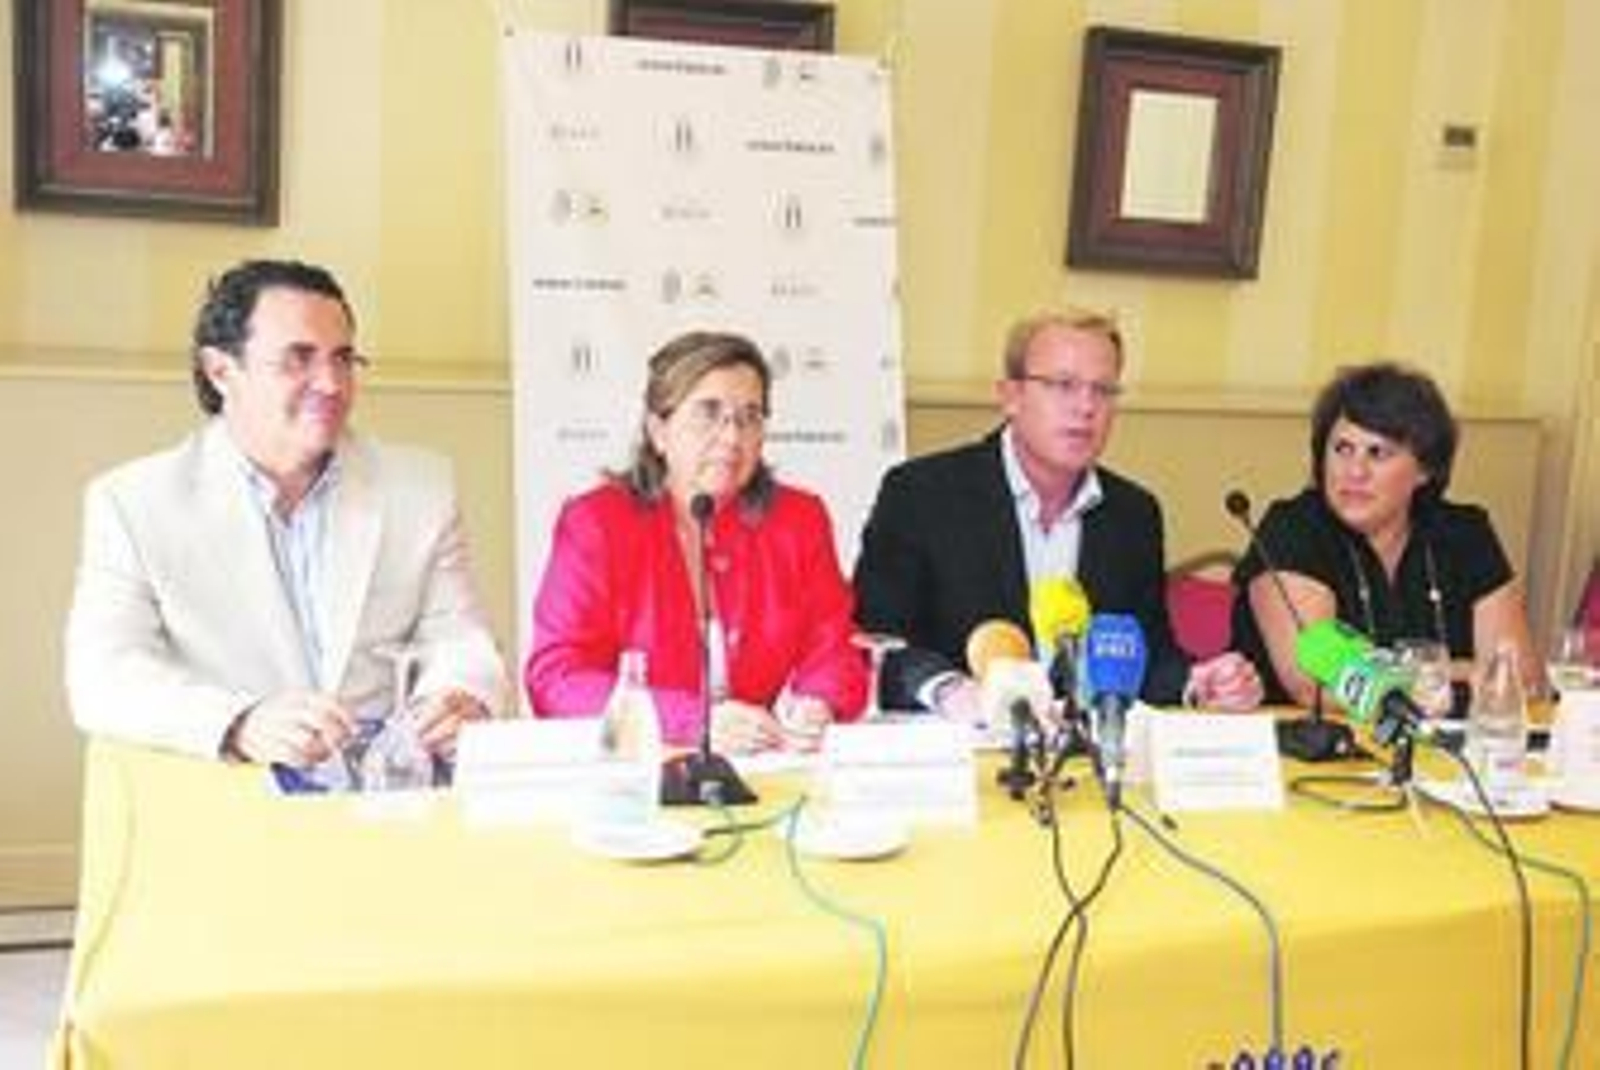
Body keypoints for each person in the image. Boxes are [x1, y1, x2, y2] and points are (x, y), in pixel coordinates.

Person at [65, 259, 507, 771]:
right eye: (299, 359)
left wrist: (459, 695)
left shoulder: (421, 488)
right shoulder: (135, 504)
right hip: (229, 788)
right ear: (220, 371)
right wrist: (240, 723)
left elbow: (457, 635)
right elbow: (103, 676)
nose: (332, 384)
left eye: (343, 359)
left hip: (383, 789)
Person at [854, 308, 1263, 717]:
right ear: (1011, 396)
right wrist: (950, 691)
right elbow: (876, 642)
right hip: (959, 741)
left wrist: (1196, 682)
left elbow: (1146, 656)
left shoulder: (1132, 514)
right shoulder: (922, 495)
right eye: (1064, 385)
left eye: (1103, 390)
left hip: (1086, 747)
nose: (1086, 407)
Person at [524, 331, 867, 754]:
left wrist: (819, 702)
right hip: (639, 764)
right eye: (709, 412)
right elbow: (556, 676)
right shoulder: (596, 523)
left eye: (750, 416)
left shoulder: (798, 520)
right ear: (658, 430)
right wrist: (692, 721)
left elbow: (836, 644)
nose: (732, 436)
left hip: (761, 764)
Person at [1232, 361, 1538, 706]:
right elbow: (1316, 685)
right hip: (1309, 739)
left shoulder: (1465, 534)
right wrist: (1460, 672)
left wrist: (1391, 676)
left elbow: (1520, 679)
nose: (1355, 471)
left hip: (1451, 739)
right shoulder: (1292, 529)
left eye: (1377, 453)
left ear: (1424, 469)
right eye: (1342, 449)